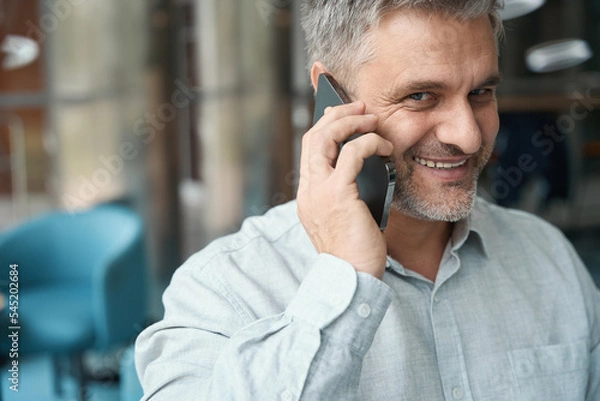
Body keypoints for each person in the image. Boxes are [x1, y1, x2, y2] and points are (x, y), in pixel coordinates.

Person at [135, 1, 600, 399]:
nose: (469, 134)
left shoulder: (550, 262)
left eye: (480, 92)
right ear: (330, 96)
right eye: (420, 96)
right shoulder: (222, 292)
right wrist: (344, 281)